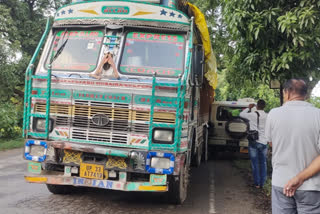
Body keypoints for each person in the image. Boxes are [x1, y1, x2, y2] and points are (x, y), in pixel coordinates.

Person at [265, 79, 320, 214]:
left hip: (281, 182)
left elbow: (271, 143)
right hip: (311, 186)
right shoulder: (318, 115)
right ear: (306, 95)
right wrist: (300, 178)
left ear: (287, 93)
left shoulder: (273, 114)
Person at [240, 99, 268, 188]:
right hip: (264, 142)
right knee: (263, 163)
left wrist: (248, 108)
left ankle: (257, 183)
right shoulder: (268, 116)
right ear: (264, 106)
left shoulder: (252, 115)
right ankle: (263, 183)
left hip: (254, 141)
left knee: (255, 163)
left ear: (257, 106)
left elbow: (241, 115)